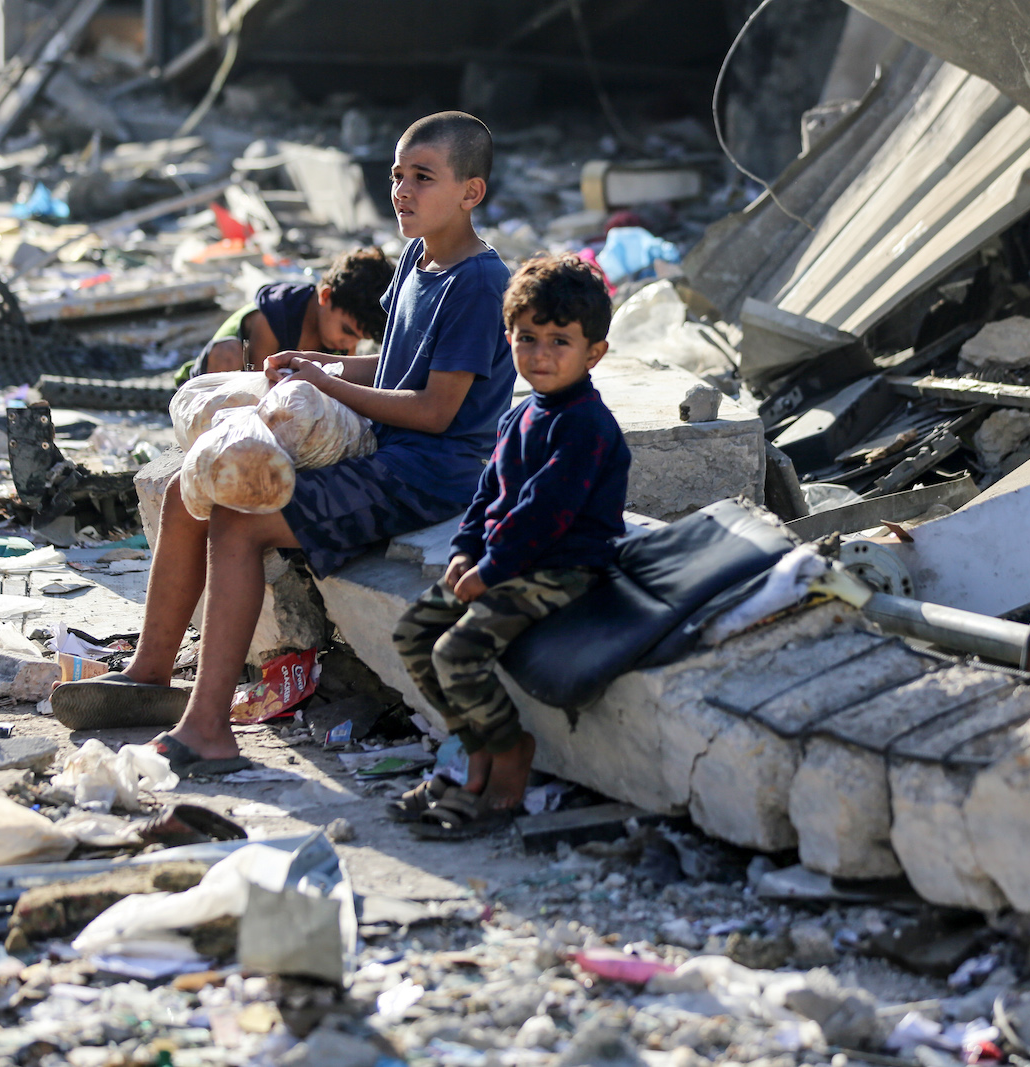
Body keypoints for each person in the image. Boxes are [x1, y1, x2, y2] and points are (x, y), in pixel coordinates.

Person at [50, 112, 516, 776]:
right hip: (385, 446)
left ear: (471, 192)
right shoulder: (418, 258)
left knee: (240, 522)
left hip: (428, 473)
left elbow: (436, 411)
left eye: (423, 177)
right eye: (396, 176)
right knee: (190, 487)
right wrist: (317, 363)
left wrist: (329, 385)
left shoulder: (477, 282)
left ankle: (208, 730)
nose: (402, 192)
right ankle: (149, 674)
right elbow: (394, 369)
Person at [389, 253, 630, 840]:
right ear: (509, 338)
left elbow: (547, 513)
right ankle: (471, 746)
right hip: (506, 560)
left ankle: (509, 753)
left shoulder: (585, 425)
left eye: (559, 342)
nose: (541, 354)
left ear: (594, 352)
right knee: (414, 633)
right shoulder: (518, 415)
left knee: (456, 653)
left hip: (563, 567)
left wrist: (491, 570)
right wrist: (464, 551)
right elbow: (488, 495)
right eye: (527, 338)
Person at [175, 247, 393, 383]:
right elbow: (258, 384)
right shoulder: (275, 316)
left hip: (279, 393)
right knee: (228, 354)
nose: (349, 343)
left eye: (359, 338)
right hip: (222, 378)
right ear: (325, 296)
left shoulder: (341, 337)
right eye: (347, 330)